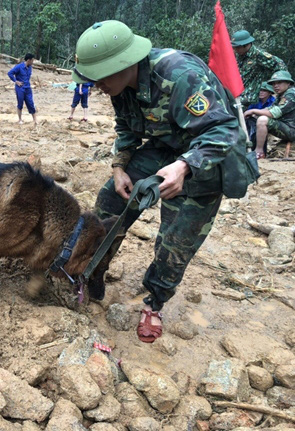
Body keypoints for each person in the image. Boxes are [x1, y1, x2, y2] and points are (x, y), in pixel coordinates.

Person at [72, 21, 256, 343]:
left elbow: (224, 130)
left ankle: (154, 302)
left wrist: (184, 166)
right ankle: (92, 269)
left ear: (123, 64)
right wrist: (119, 167)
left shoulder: (180, 74)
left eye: (98, 77)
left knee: (176, 239)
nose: (95, 85)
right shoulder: (118, 86)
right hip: (163, 149)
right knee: (109, 202)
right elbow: (126, 129)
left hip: (206, 159)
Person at [244, 70, 295, 159]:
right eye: (274, 84)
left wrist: (253, 111)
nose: (275, 86)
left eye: (279, 83)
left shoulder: (291, 94)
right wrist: (255, 113)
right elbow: (270, 108)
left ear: (288, 83)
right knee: (256, 118)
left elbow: (274, 113)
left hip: (292, 129)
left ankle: (258, 152)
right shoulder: (282, 94)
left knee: (263, 120)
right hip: (288, 127)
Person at [230, 30, 287, 109]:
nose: (235, 49)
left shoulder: (259, 55)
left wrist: (277, 88)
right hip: (236, 94)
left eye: (237, 47)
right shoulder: (239, 56)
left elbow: (280, 65)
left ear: (246, 45)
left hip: (249, 98)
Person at [244, 82, 276, 154]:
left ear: (270, 92)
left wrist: (255, 113)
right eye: (260, 90)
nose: (261, 92)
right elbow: (248, 113)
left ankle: (260, 151)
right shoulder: (255, 101)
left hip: (267, 124)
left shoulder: (273, 101)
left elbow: (272, 114)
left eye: (264, 90)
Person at [7, 53, 37, 125]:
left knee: (30, 103)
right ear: (29, 60)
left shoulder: (30, 67)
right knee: (20, 103)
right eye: (32, 60)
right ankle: (20, 119)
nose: (33, 62)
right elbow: (10, 73)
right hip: (20, 88)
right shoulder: (19, 67)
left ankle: (35, 120)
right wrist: (16, 81)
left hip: (28, 88)